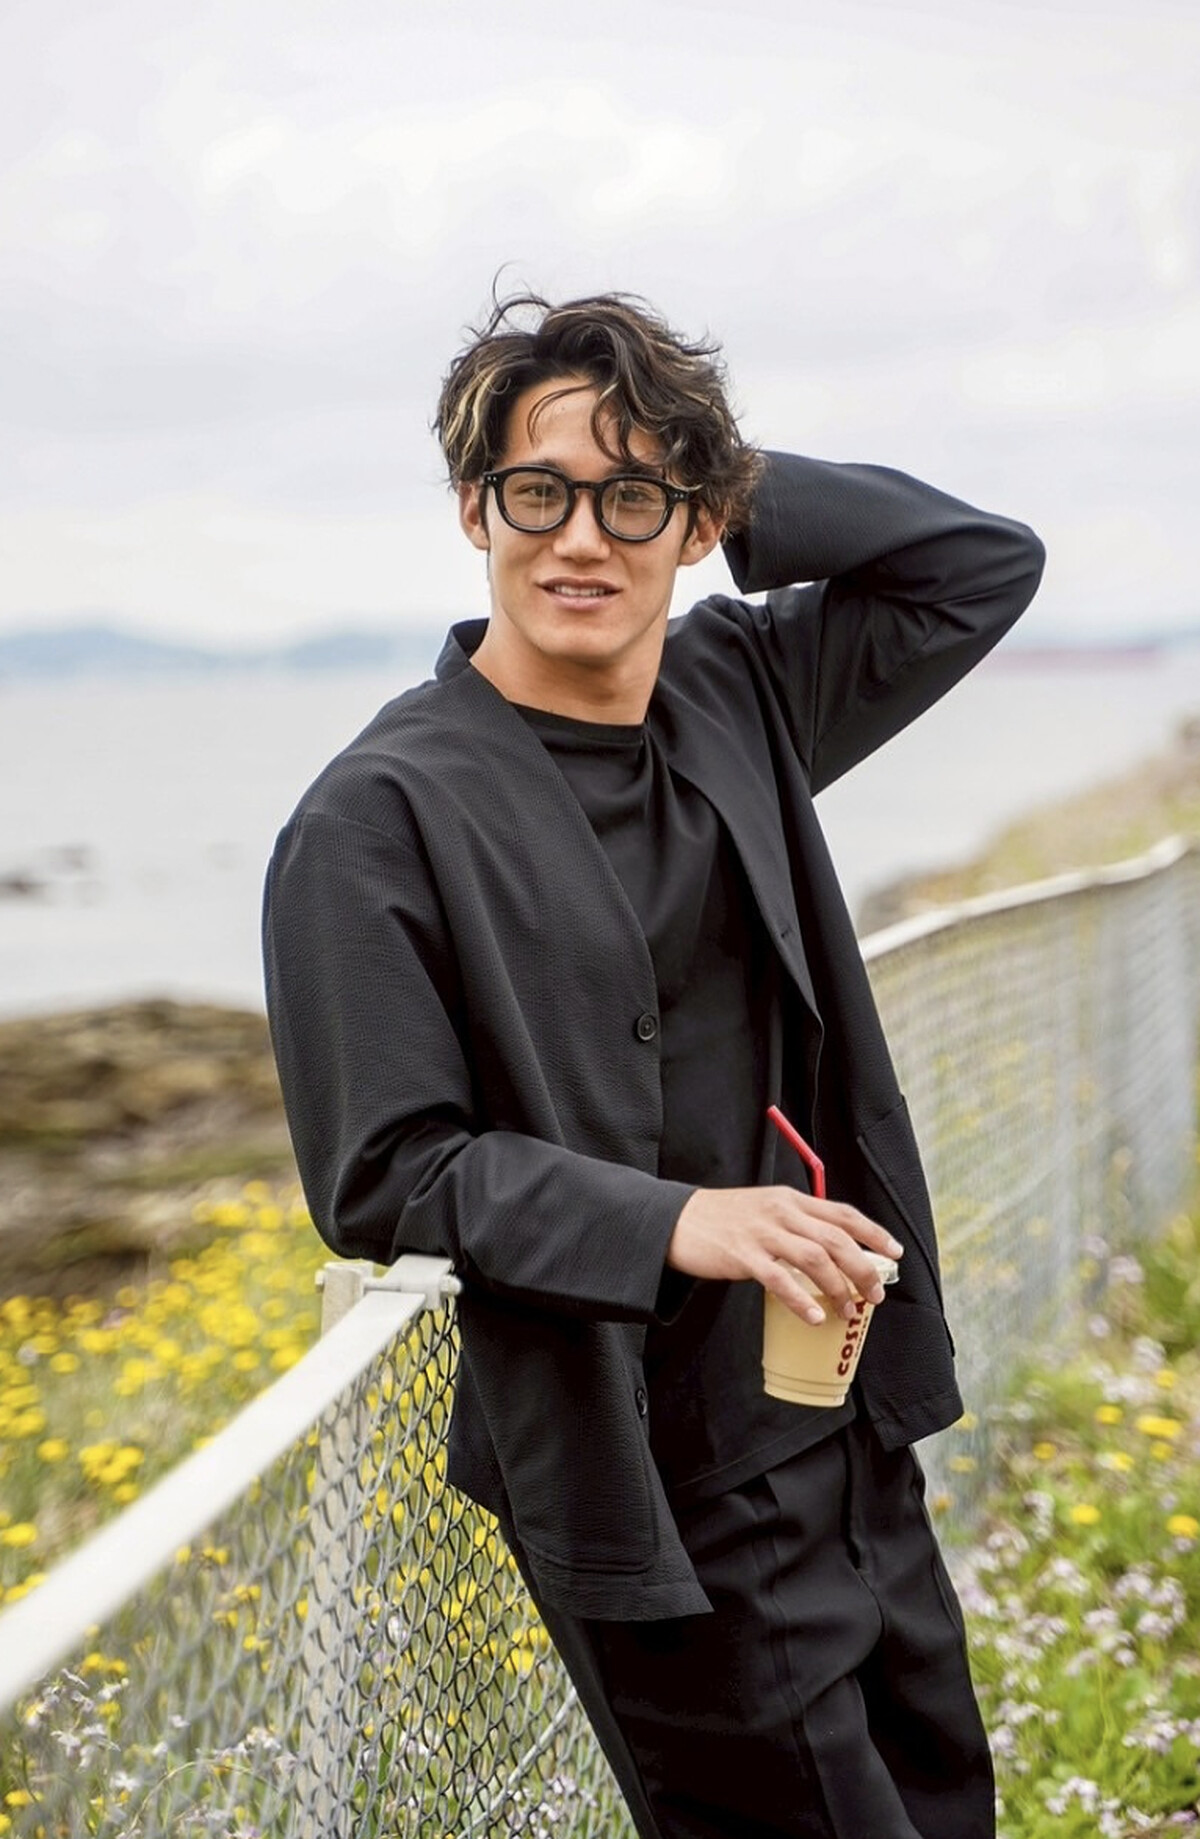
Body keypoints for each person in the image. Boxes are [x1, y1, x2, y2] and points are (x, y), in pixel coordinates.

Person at [263, 290, 1045, 1839]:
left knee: (948, 1797)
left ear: (696, 526)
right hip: (652, 1468)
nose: (581, 539)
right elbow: (386, 1173)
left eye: (632, 499)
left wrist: (719, 478)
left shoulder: (737, 687)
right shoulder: (374, 819)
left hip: (840, 1402)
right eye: (538, 492)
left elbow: (978, 566)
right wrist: (678, 1220)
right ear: (474, 510)